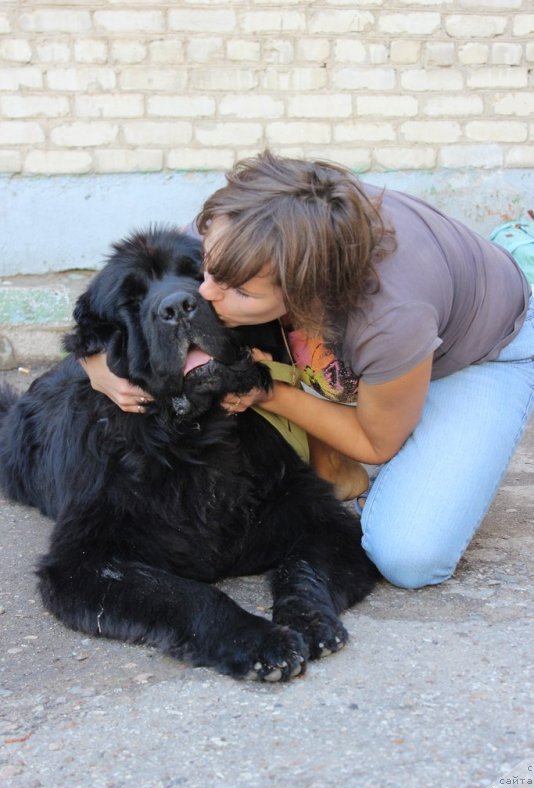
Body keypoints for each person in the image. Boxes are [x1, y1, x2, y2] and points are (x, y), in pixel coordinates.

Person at [82, 151, 534, 590]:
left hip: (484, 350)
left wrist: (270, 391)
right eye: (208, 267)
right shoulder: (244, 230)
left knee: (410, 556)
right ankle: (381, 411)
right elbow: (120, 299)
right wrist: (94, 364)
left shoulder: (389, 317)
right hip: (393, 348)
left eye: (236, 289)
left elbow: (373, 443)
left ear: (303, 291)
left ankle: (518, 250)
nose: (205, 292)